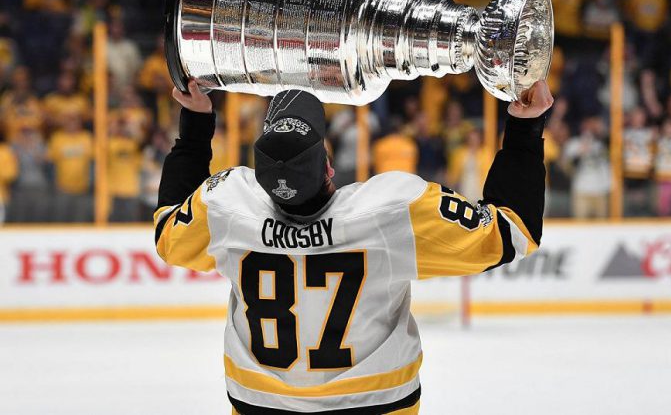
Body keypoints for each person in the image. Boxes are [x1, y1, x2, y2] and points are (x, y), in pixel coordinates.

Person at [154, 79, 553, 414]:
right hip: (374, 403)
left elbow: (168, 232)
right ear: (329, 168)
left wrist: (196, 125)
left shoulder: (229, 206)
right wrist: (524, 127)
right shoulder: (391, 210)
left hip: (261, 403)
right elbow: (512, 232)